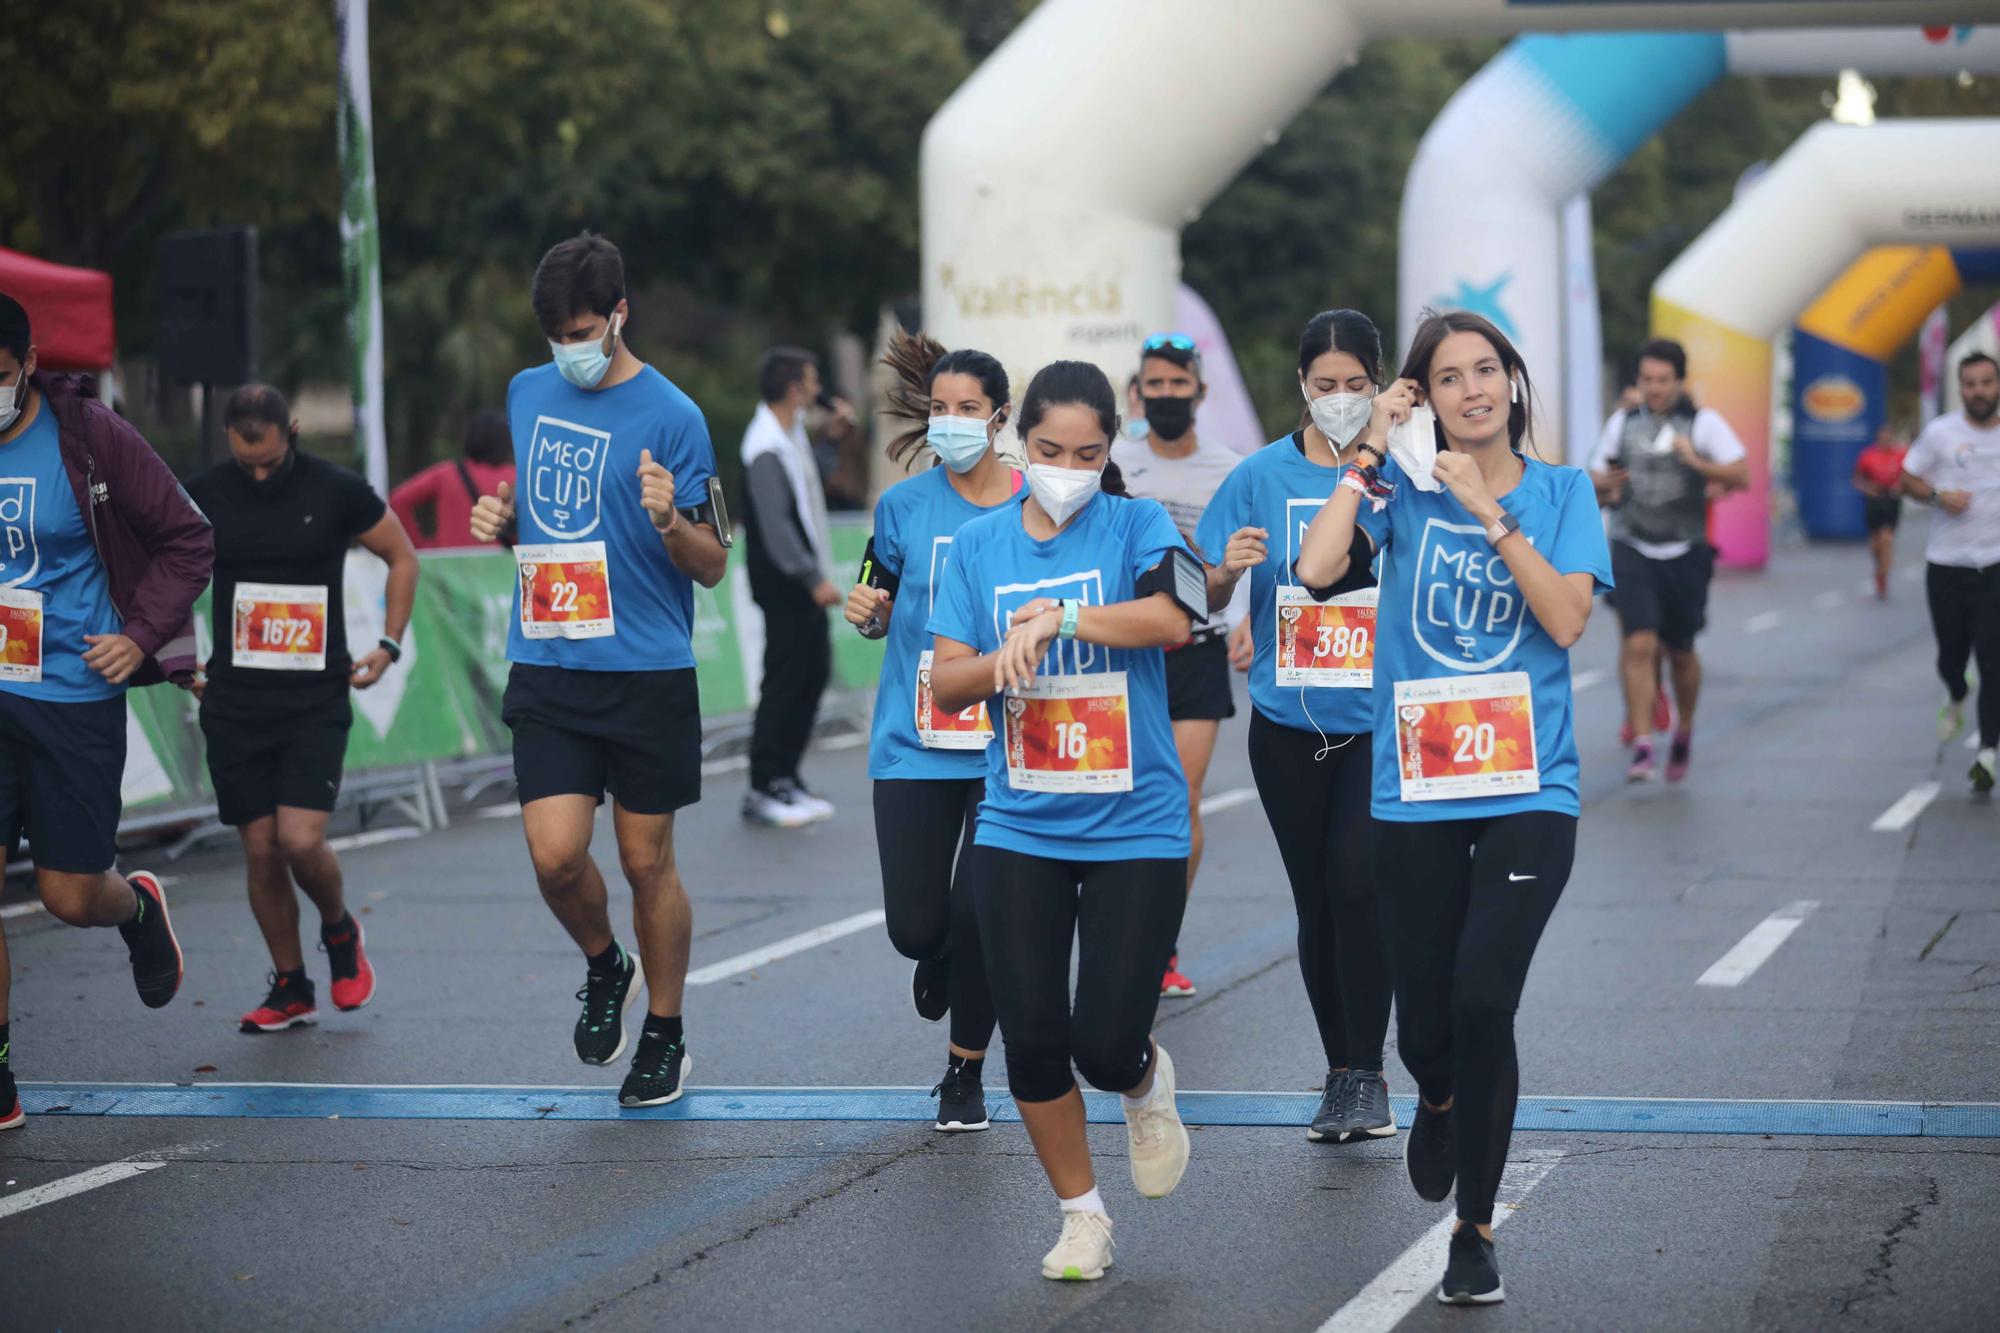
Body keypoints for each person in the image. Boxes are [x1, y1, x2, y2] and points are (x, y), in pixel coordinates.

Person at [1296, 309, 1611, 1306]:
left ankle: (1472, 1227)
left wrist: (1490, 511)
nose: (1471, 389)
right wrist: (1364, 453)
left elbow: (1563, 619)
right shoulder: (1400, 488)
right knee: (1424, 1024)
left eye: (1487, 371)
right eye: (1446, 377)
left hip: (1527, 786)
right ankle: (1431, 1088)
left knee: (1483, 999)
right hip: (1417, 787)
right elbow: (1312, 571)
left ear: (1511, 385)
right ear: (1422, 396)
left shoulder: (1560, 492)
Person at [927, 360, 1205, 1281]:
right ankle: (1082, 1216)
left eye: (1088, 452)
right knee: (1035, 1036)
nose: (1068, 467)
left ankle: (1140, 1077)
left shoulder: (1138, 523)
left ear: (1110, 450)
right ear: (1019, 443)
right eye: (1049, 450)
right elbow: (950, 677)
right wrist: (1001, 656)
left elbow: (1172, 620)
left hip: (1137, 822)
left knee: (1102, 1039)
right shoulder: (977, 546)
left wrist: (1065, 616)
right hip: (1021, 822)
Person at [468, 233, 728, 1107]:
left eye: (583, 329)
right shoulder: (525, 392)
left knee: (645, 860)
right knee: (554, 856)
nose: (568, 348)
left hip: (646, 669)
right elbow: (546, 519)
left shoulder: (675, 416)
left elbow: (713, 561)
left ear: (620, 315)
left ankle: (665, 1030)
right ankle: (603, 961)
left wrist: (668, 520)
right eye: (556, 333)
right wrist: (503, 520)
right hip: (547, 657)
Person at [0, 292, 214, 1131]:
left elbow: (188, 537)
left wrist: (140, 635)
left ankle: (135, 907)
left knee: (68, 894)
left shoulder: (86, 437)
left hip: (71, 695)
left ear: (27, 363)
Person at [1197, 309, 1397, 1145]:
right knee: (1316, 902)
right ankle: (1342, 1073)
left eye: (1357, 386)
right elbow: (1199, 592)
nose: (1341, 400)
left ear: (1380, 386)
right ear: (1301, 388)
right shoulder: (1258, 476)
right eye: (1326, 386)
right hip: (1284, 723)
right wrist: (1225, 574)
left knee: (1359, 886)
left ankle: (1373, 1071)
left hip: (1377, 724)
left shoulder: (1399, 476)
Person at [186, 385, 419, 1033]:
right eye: (245, 462)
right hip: (234, 698)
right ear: (229, 439)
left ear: (291, 431)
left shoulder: (335, 489)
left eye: (270, 460)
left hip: (314, 695)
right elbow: (161, 571)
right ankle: (291, 985)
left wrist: (389, 643)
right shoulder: (204, 492)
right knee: (261, 851)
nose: (258, 474)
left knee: (300, 839)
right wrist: (181, 658)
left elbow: (402, 555)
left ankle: (340, 929)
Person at [846, 331, 1015, 1133]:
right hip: (913, 740)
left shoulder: (1033, 503)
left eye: (967, 409)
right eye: (940, 408)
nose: (950, 423)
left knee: (981, 910)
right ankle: (938, 953)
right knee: (918, 924)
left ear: (1000, 417)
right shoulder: (901, 508)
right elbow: (874, 593)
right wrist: (867, 614)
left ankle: (964, 1070)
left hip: (1004, 742)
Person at [1119, 332, 1243, 999]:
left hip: (1198, 648)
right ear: (1138, 392)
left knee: (1180, 798)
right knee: (1120, 794)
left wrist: (1250, 618)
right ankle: (1117, 926)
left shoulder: (1228, 467)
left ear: (1200, 388)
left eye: (1178, 384)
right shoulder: (1113, 461)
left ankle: (1161, 940)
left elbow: (1247, 557)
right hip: (1125, 650)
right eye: (1155, 385)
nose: (1167, 395)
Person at [1588, 338, 1748, 782]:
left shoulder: (1703, 422)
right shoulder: (1622, 421)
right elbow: (1595, 478)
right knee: (1638, 643)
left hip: (1685, 549)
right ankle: (1642, 744)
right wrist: (1608, 482)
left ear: (1678, 381)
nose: (1655, 389)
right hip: (1632, 543)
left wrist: (1697, 462)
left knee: (1680, 652)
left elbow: (1742, 473)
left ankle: (1685, 727)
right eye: (1647, 380)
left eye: (1663, 380)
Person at [741, 348, 845, 828]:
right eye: (812, 379)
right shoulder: (763, 444)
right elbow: (777, 525)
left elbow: (808, 491)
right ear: (794, 388)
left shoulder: (791, 435)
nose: (818, 387)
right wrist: (811, 577)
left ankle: (788, 775)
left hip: (799, 584)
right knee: (784, 681)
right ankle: (766, 783)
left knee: (811, 674)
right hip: (785, 586)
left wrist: (832, 441)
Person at [1900, 351, 2000, 794]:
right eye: (1971, 384)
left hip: (1995, 564)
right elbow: (1907, 478)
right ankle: (1957, 693)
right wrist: (1940, 495)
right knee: (1951, 657)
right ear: (1961, 389)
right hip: (1947, 565)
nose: (1979, 391)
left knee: (1994, 661)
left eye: (1986, 382)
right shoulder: (1941, 433)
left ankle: (1988, 755)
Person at [388, 410, 515, 550]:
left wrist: (420, 547)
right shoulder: (518, 479)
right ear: (507, 443)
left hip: (449, 565)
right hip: (504, 566)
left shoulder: (446, 474)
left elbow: (398, 500)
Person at [1852, 425, 1907, 601]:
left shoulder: (1900, 455)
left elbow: (1908, 477)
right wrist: (1868, 489)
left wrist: (1900, 487)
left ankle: (1883, 575)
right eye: (1883, 437)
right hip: (1874, 501)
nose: (1886, 440)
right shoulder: (1868, 455)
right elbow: (1857, 479)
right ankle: (1879, 566)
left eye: (1889, 437)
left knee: (1887, 538)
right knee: (1875, 543)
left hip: (1891, 501)